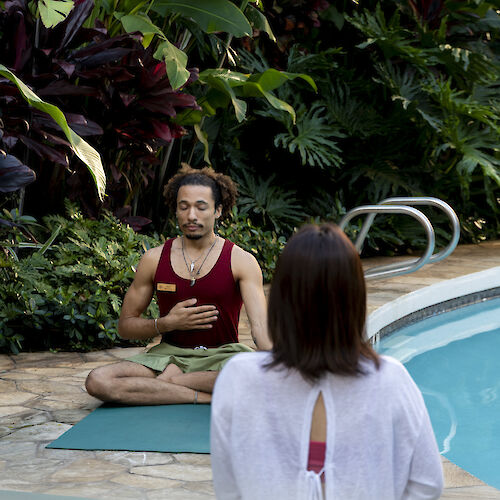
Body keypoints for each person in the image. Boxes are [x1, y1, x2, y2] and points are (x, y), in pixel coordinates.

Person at [211, 223, 443, 500]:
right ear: (354, 299)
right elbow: (427, 484)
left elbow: (229, 489)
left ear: (282, 298)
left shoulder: (239, 378)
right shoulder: (390, 380)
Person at [85, 165, 271, 405]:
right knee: (98, 381)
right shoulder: (153, 259)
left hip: (223, 358)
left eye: (201, 207)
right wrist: (166, 323)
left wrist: (272, 364)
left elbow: (260, 329)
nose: (191, 215)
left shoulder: (241, 261)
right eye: (184, 207)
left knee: (263, 375)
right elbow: (125, 327)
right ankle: (203, 396)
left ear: (218, 210)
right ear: (176, 210)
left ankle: (171, 384)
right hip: (168, 356)